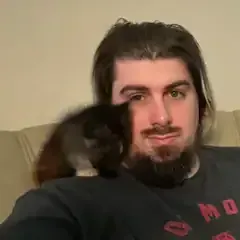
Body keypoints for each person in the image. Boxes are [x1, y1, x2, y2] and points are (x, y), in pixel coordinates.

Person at [0, 18, 239, 240]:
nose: (162, 117)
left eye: (175, 93)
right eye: (137, 97)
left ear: (201, 102)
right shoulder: (69, 202)